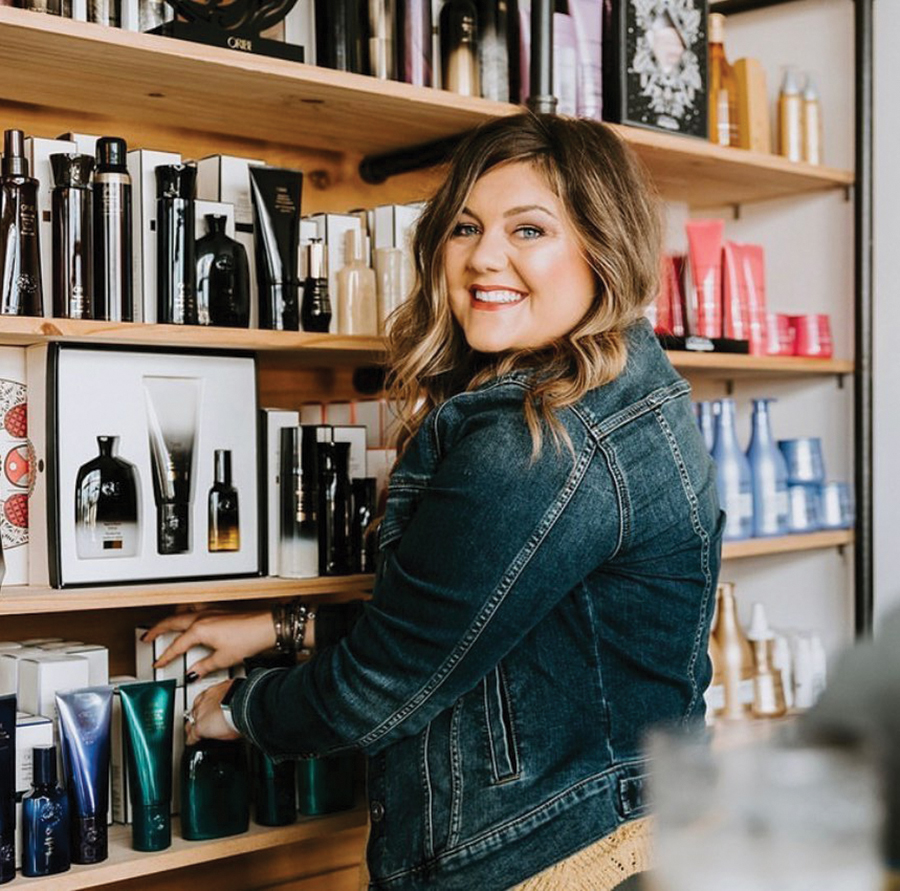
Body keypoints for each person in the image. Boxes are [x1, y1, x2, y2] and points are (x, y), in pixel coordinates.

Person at [146, 112, 723, 890]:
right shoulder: (628, 389)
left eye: (528, 230)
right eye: (465, 226)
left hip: (553, 857)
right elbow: (494, 623)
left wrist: (242, 709)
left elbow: (385, 683)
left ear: (602, 245)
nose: (483, 256)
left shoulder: (541, 438)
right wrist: (285, 627)